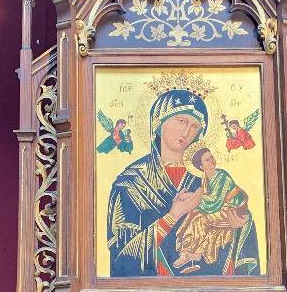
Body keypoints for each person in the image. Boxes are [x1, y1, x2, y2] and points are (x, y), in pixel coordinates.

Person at [106, 87, 260, 277]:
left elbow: (233, 209)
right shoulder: (129, 183)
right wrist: (172, 216)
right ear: (159, 123)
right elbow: (121, 258)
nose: (187, 132)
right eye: (182, 121)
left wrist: (239, 222)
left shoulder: (207, 177)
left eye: (195, 126)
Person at [174, 146, 250, 270]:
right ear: (201, 166)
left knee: (200, 219)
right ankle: (189, 253)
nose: (212, 160)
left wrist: (191, 196)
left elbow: (214, 202)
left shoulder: (222, 177)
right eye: (207, 160)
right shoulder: (205, 177)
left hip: (234, 209)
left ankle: (190, 253)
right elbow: (208, 200)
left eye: (211, 157)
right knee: (195, 214)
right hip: (220, 208)